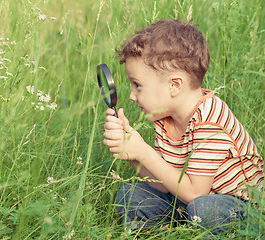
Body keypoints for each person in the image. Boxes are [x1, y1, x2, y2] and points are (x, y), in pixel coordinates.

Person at [103, 19, 264, 235]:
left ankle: (191, 229)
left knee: (204, 209)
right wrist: (132, 153)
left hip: (242, 209)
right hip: (190, 202)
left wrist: (143, 151)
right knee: (131, 195)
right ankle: (170, 232)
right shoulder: (164, 118)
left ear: (174, 85)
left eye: (138, 85)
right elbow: (163, 184)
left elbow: (196, 194)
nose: (132, 96)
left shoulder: (210, 119)